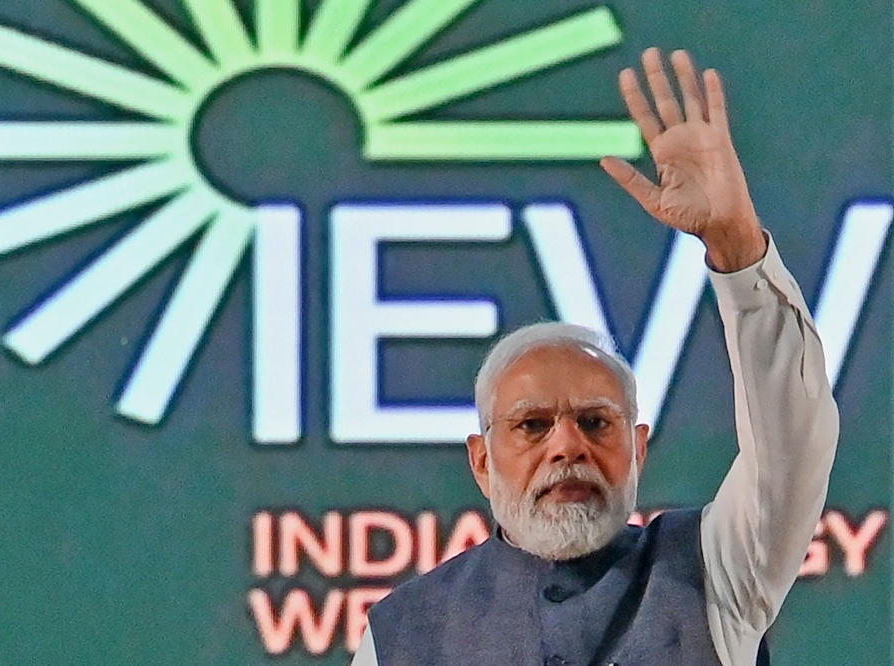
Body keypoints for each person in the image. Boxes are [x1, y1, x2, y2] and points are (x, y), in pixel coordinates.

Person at [349, 47, 839, 666]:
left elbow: (790, 446)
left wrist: (736, 245)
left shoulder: (716, 573)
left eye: (595, 422)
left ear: (637, 447)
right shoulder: (402, 635)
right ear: (481, 461)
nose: (566, 447)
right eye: (531, 425)